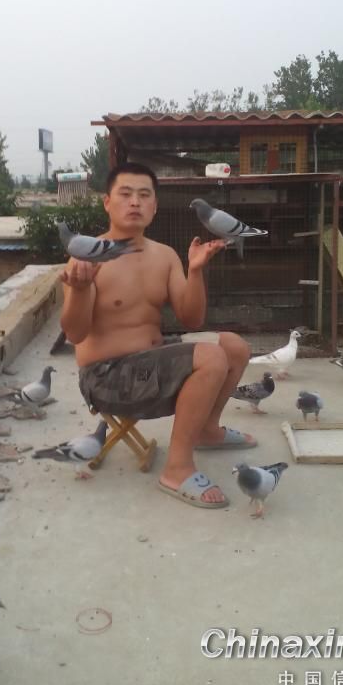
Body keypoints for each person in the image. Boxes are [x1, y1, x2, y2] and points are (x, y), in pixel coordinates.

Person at [60, 162, 256, 508]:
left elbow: (191, 318)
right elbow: (75, 334)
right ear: (107, 202)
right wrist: (79, 289)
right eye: (125, 194)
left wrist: (195, 271)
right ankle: (177, 469)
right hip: (107, 378)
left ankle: (207, 431)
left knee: (234, 347)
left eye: (144, 195)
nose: (135, 202)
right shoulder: (88, 256)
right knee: (211, 357)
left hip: (151, 365)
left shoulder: (164, 256)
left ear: (155, 206)